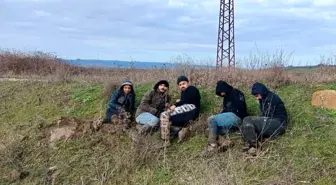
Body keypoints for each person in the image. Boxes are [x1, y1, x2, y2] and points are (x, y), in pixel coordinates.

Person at [241, 82, 288, 155]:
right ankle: (251, 141)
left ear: (261, 91)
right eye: (255, 96)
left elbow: (268, 115)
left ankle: (254, 146)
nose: (257, 98)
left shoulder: (271, 98)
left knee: (248, 120)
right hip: (272, 122)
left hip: (278, 124)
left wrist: (257, 120)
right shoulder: (264, 98)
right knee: (245, 125)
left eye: (257, 95)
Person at [203, 80, 248, 153]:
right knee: (209, 131)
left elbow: (241, 108)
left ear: (224, 88)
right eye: (220, 93)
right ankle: (225, 142)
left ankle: (212, 145)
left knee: (211, 119)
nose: (221, 94)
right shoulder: (226, 96)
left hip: (237, 117)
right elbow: (225, 111)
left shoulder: (236, 93)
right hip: (233, 121)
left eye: (221, 91)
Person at [160, 75, 201, 144]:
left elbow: (188, 100)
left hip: (192, 108)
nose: (182, 86)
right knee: (166, 119)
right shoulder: (183, 92)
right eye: (180, 85)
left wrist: (176, 104)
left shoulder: (192, 88)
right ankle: (180, 131)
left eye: (184, 83)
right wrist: (180, 101)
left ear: (188, 83)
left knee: (164, 115)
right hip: (187, 114)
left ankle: (166, 141)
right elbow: (184, 101)